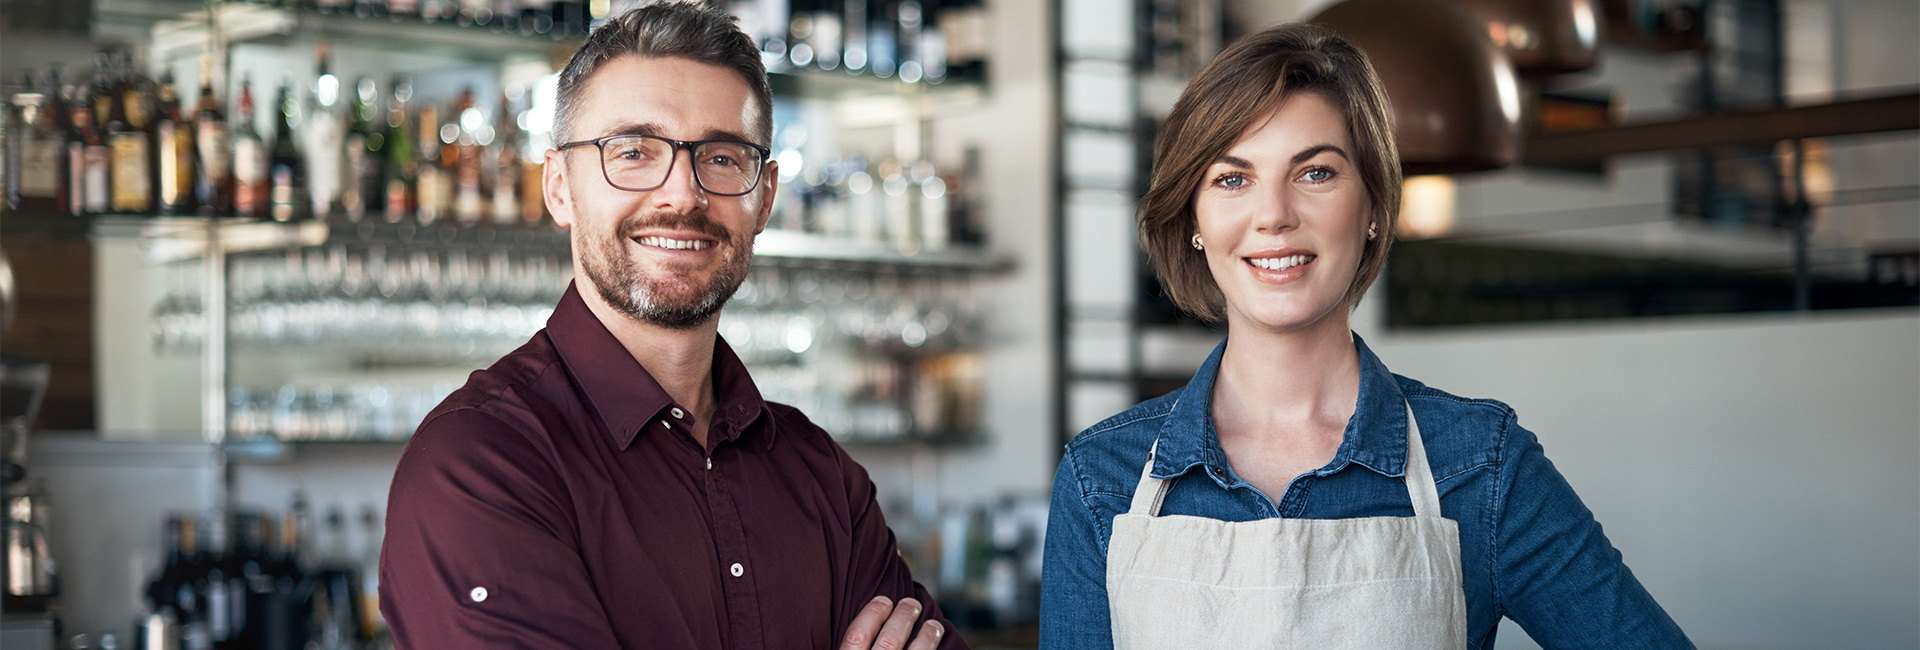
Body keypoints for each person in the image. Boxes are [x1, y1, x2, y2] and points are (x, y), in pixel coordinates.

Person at [1038, 22, 1692, 649]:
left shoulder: (1481, 466)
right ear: (1194, 219)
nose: (1274, 216)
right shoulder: (1102, 479)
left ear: (1373, 207)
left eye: (1315, 172)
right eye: (1233, 179)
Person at [379, 4, 959, 649]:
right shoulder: (480, 465)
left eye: (721, 157)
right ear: (559, 188)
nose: (682, 194)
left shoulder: (821, 473)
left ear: (764, 197)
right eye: (632, 152)